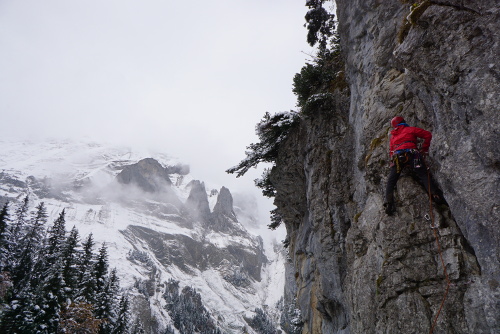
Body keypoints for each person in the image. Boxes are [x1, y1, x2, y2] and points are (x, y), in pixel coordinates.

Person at [384, 116, 444, 215]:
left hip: (397, 158)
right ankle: (435, 195)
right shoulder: (410, 129)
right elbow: (428, 135)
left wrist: (392, 161)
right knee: (423, 174)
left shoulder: (393, 136)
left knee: (391, 181)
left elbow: (391, 150)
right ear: (403, 122)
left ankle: (388, 203)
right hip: (412, 155)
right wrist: (424, 149)